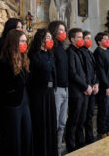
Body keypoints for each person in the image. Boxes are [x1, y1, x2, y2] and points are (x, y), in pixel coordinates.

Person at [0, 29, 33, 156]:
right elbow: (0, 88)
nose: (24, 44)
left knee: (27, 135)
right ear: (14, 43)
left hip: (24, 102)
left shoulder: (23, 58)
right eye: (21, 41)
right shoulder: (3, 62)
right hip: (11, 105)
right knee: (14, 140)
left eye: (25, 41)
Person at [27, 29, 58, 156]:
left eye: (51, 38)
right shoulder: (33, 56)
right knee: (41, 124)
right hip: (38, 95)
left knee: (51, 124)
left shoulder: (50, 54)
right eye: (48, 38)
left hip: (50, 94)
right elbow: (30, 78)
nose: (51, 40)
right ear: (41, 39)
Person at [65, 28, 92, 152]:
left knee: (82, 119)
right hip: (76, 91)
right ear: (72, 39)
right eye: (79, 37)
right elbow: (73, 73)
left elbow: (85, 72)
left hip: (84, 90)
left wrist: (88, 85)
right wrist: (85, 86)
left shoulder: (80, 51)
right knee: (74, 120)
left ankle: (81, 143)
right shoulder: (70, 52)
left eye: (82, 37)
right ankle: (71, 146)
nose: (82, 39)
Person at [48, 21, 68, 153]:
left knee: (62, 123)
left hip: (65, 88)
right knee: (54, 123)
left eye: (64, 30)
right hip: (56, 89)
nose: (63, 33)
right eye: (60, 30)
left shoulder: (62, 47)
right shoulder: (51, 48)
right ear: (54, 31)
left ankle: (59, 150)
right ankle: (51, 150)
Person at [79, 31, 99, 145]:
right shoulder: (80, 52)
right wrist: (88, 85)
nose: (89, 40)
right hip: (85, 88)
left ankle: (90, 137)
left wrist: (96, 83)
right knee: (83, 116)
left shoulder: (90, 53)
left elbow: (94, 71)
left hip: (92, 86)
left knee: (90, 114)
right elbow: (83, 72)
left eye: (90, 38)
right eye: (87, 38)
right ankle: (82, 140)